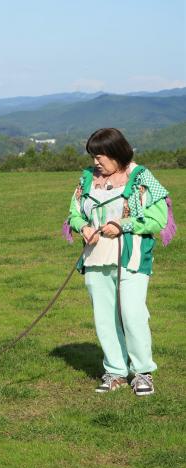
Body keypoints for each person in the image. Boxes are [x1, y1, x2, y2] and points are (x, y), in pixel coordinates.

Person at [64, 128, 175, 396]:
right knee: (104, 316)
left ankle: (142, 372)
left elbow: (158, 218)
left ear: (117, 153)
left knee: (132, 313)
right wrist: (83, 228)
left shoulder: (140, 178)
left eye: (100, 156)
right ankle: (114, 371)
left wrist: (122, 224)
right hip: (96, 258)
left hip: (131, 258)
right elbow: (74, 214)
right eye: (93, 156)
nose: (95, 162)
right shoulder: (87, 179)